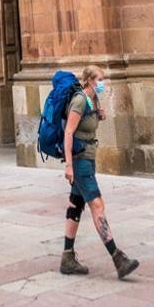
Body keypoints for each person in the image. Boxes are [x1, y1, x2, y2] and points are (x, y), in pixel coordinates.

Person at [60, 64, 139, 279]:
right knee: (97, 205)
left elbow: (86, 124)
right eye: (100, 79)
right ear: (89, 81)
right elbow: (68, 133)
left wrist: (98, 115)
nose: (102, 83)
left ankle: (67, 257)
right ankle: (117, 257)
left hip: (87, 157)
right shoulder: (79, 101)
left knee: (76, 204)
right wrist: (68, 165)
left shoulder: (92, 100)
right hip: (80, 161)